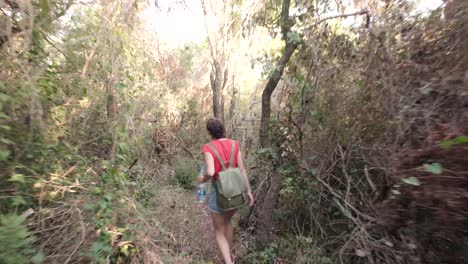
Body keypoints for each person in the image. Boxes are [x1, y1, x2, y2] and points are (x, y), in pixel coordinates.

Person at [197, 118, 254, 264]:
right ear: (223, 129)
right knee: (228, 221)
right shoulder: (235, 144)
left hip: (219, 191)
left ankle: (228, 261)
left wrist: (202, 180)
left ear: (210, 132)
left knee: (219, 230)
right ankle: (230, 254)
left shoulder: (208, 148)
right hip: (236, 191)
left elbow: (210, 172)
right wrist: (248, 191)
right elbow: (242, 169)